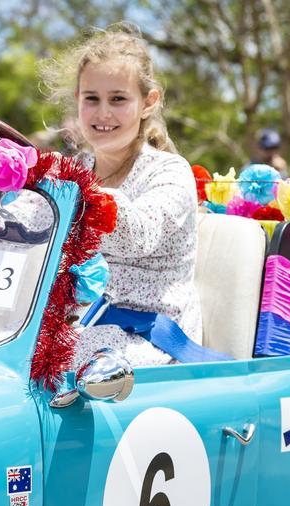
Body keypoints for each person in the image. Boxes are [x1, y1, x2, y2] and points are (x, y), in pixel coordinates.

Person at [40, 24, 205, 368]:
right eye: (92, 99)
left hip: (149, 333)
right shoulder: (75, 166)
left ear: (148, 102)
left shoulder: (170, 171)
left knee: (56, 369)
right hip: (78, 326)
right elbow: (33, 226)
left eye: (118, 99)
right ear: (77, 101)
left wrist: (77, 189)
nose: (103, 113)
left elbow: (137, 234)